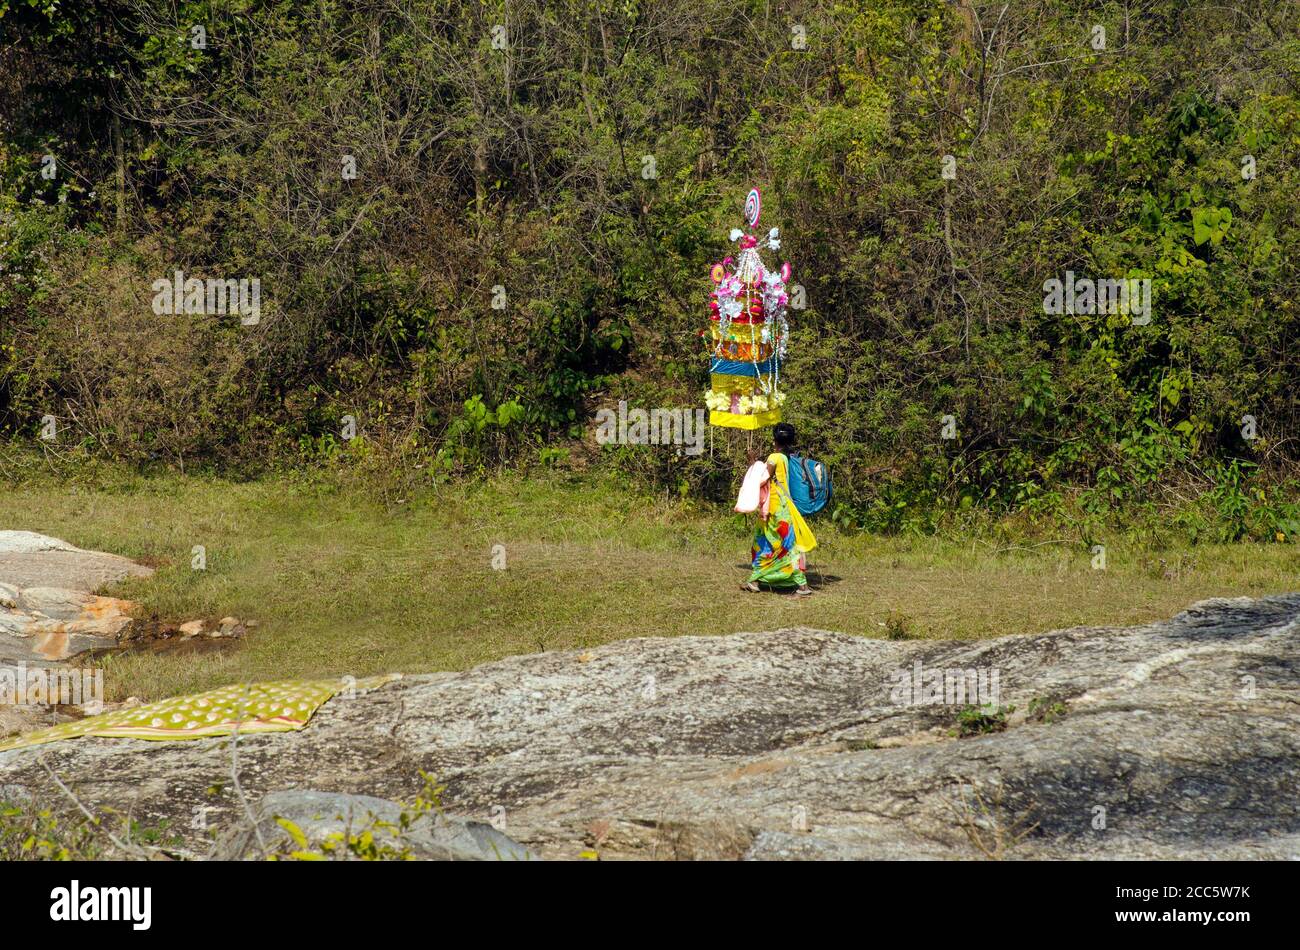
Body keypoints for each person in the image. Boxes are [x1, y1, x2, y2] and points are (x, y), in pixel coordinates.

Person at [742, 422, 817, 595]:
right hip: (784, 505)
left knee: (771, 542)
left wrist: (752, 462)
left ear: (774, 439)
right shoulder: (788, 458)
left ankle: (801, 585)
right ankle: (755, 580)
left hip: (774, 508)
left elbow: (761, 479)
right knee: (776, 541)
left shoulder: (774, 458)